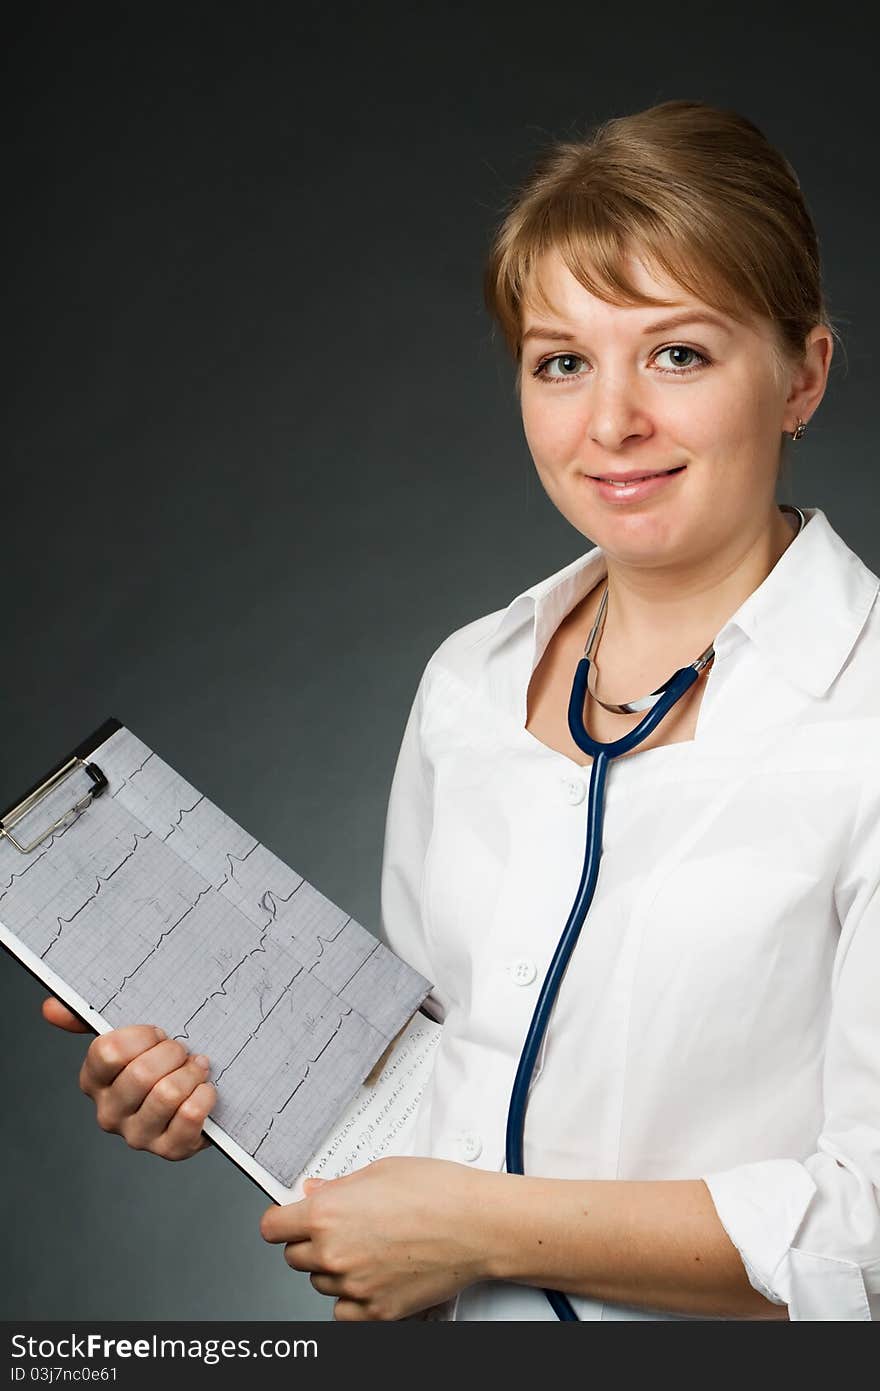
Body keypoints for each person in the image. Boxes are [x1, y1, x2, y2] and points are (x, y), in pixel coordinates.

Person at [45, 99, 880, 1322]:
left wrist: (476, 1230)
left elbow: (864, 1231)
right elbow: (419, 1087)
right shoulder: (470, 682)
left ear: (800, 373)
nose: (610, 423)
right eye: (561, 361)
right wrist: (220, 1084)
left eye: (678, 353)